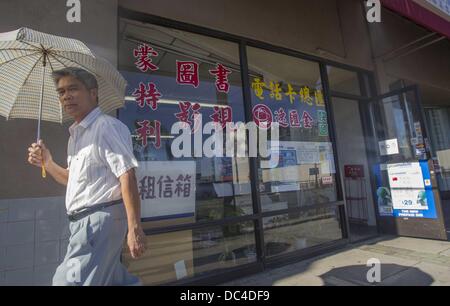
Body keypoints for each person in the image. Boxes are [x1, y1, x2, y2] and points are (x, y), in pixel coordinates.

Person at [27, 67, 146, 286]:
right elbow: (71, 180)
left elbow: (127, 175)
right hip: (83, 223)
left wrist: (134, 228)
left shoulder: (105, 127)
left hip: (97, 221)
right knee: (113, 281)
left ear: (93, 93)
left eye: (73, 89)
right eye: (61, 92)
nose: (66, 96)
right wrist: (48, 162)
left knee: (66, 282)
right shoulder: (76, 135)